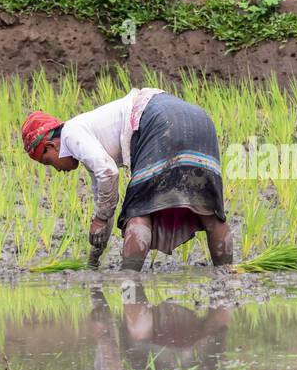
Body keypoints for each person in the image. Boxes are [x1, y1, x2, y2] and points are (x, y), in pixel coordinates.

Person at [22, 87, 233, 271]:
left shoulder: (71, 132)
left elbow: (108, 172)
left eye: (48, 162)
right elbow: (105, 195)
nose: (57, 170)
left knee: (139, 211)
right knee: (209, 211)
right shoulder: (87, 139)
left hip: (157, 120)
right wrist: (95, 254)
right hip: (199, 120)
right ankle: (226, 277)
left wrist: (100, 219)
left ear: (51, 146)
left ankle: (130, 280)